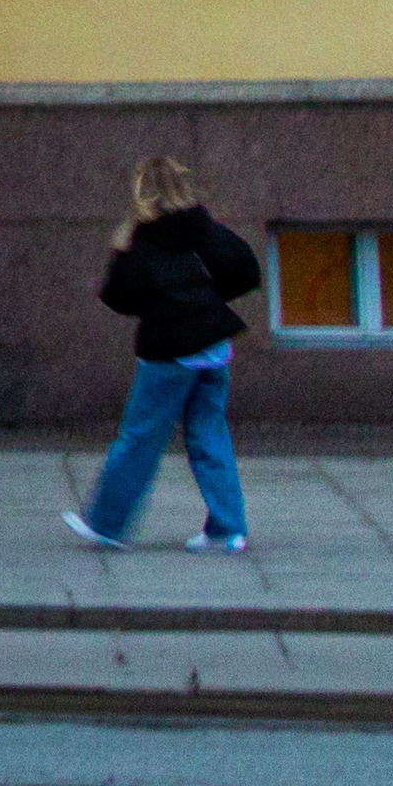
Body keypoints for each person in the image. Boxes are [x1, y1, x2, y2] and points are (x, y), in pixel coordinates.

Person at [73, 154, 260, 553]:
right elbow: (246, 268)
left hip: (170, 353)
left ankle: (106, 525)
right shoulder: (204, 227)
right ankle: (229, 530)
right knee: (210, 436)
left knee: (140, 438)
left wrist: (121, 250)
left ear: (143, 194)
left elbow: (118, 298)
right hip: (213, 347)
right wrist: (207, 302)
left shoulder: (144, 239)